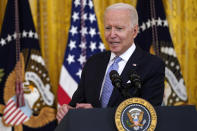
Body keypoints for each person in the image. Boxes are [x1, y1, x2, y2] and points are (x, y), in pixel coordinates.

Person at [56, 3, 165, 123]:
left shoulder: (152, 65)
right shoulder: (93, 62)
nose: (112, 35)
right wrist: (69, 110)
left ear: (134, 31)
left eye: (119, 28)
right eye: (108, 28)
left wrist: (99, 115)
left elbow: (146, 114)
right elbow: (78, 103)